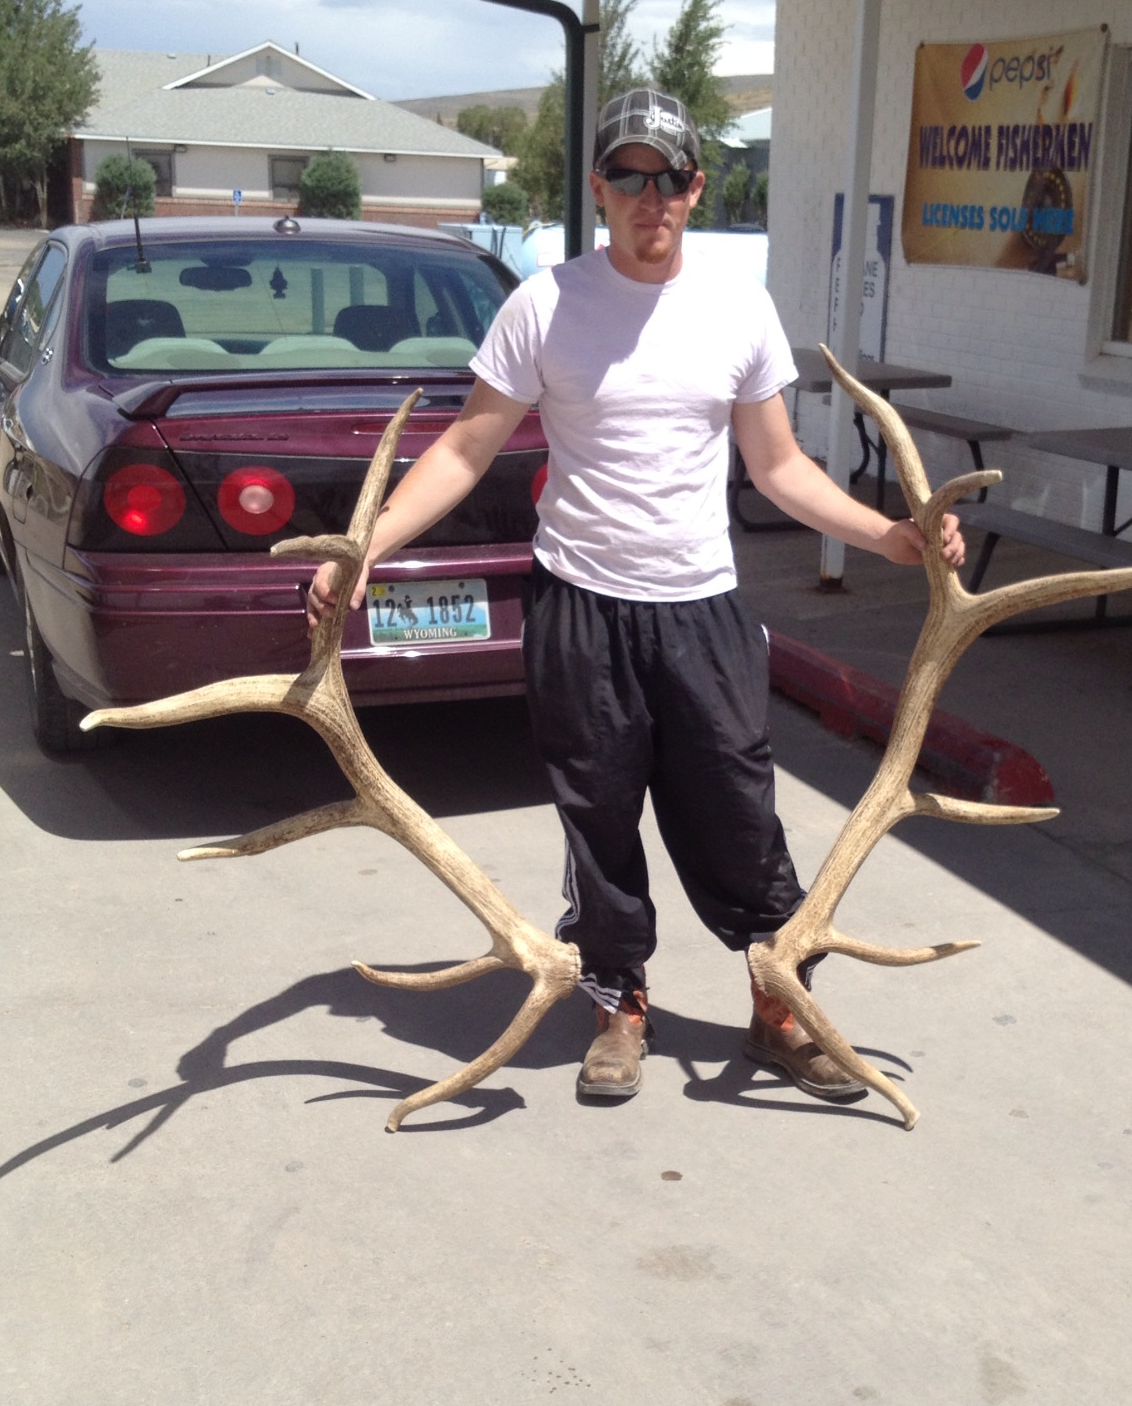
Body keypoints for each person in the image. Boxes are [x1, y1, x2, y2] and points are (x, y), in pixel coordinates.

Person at [309, 88, 964, 1106]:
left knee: (740, 814)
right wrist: (364, 548)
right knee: (598, 818)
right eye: (629, 176)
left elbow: (779, 465)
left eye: (669, 178)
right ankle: (620, 1002)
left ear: (697, 188)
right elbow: (466, 447)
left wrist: (890, 535)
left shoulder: (738, 308)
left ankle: (781, 1002)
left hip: (700, 608)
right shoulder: (545, 305)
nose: (649, 197)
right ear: (600, 189)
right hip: (580, 607)